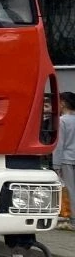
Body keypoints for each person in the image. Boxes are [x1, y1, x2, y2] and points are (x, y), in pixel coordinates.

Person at [56, 92, 75, 231]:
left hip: (66, 159)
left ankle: (71, 218)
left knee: (68, 189)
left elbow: (59, 144)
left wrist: (56, 164)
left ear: (62, 103)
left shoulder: (62, 121)